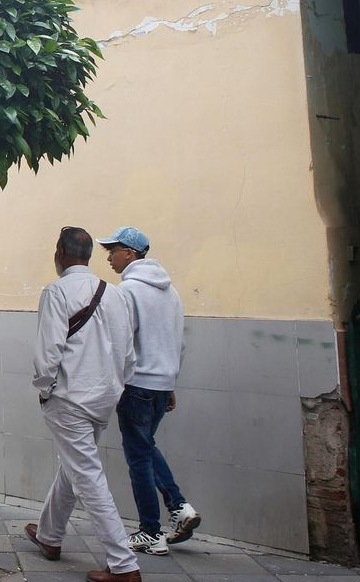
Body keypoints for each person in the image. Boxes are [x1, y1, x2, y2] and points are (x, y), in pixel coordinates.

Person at [25, 226, 141, 582]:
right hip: (106, 396)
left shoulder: (57, 291)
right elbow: (129, 355)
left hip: (70, 398)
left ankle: (123, 564)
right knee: (75, 466)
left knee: (87, 475)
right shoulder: (115, 294)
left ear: (60, 253)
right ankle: (49, 536)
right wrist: (114, 385)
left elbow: (47, 356)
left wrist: (46, 389)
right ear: (88, 254)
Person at [100, 227, 201, 554]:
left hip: (137, 385)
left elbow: (121, 342)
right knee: (145, 447)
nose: (109, 257)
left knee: (138, 457)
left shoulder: (127, 291)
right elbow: (178, 343)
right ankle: (179, 507)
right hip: (161, 385)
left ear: (130, 252)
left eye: (113, 250)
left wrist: (115, 381)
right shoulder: (170, 292)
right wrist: (170, 384)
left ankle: (151, 532)